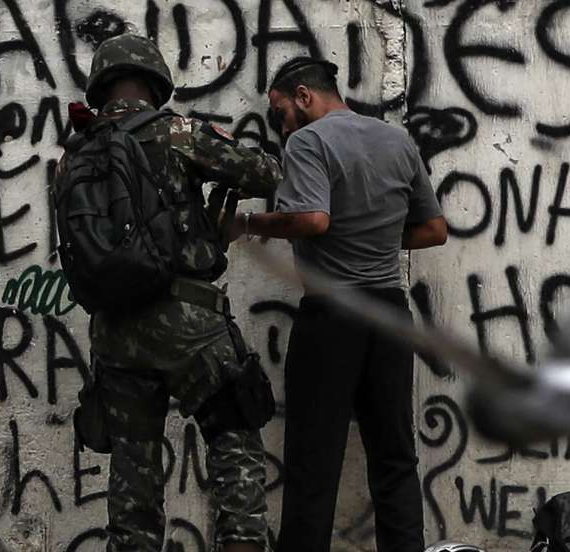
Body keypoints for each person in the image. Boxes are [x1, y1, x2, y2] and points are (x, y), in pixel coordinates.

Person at [55, 34, 282, 552]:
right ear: (155, 83)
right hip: (189, 324)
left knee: (133, 477)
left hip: (116, 334)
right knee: (234, 446)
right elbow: (264, 173)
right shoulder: (175, 132)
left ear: (100, 88)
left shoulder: (74, 156)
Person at [231, 57, 448, 552]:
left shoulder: (308, 141)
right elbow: (435, 230)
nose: (281, 125)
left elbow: (312, 220)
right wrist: (375, 237)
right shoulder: (397, 140)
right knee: (395, 458)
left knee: (313, 464)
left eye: (281, 111)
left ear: (304, 96)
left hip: (333, 317)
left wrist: (247, 225)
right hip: (391, 316)